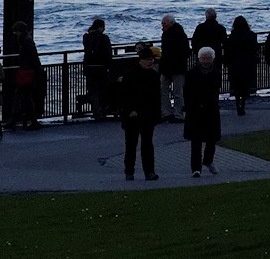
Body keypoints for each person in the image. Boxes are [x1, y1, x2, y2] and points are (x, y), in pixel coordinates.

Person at [118, 45, 162, 181]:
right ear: (140, 60)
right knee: (131, 145)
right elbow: (124, 97)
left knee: (147, 144)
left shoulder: (154, 75)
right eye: (147, 59)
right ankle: (129, 171)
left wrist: (157, 114)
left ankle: (149, 171)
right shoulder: (130, 75)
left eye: (151, 59)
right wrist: (130, 111)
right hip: (133, 116)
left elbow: (156, 97)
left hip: (148, 115)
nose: (150, 62)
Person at [183, 47, 222, 177]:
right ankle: (196, 168)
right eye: (203, 58)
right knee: (196, 141)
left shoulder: (216, 72)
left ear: (212, 59)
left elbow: (216, 90)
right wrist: (192, 104)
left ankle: (208, 160)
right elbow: (187, 92)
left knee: (212, 139)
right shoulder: (191, 73)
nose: (206, 61)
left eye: (208, 58)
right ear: (199, 58)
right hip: (195, 110)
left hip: (211, 109)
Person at [8, 21, 42, 131]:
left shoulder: (26, 41)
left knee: (19, 96)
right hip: (29, 71)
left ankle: (14, 120)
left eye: (16, 31)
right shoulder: (27, 40)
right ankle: (32, 121)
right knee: (27, 97)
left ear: (19, 31)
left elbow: (33, 56)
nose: (15, 34)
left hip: (26, 72)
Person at [224, 15, 259, 116]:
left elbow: (228, 51)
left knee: (236, 86)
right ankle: (242, 105)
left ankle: (237, 104)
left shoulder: (232, 36)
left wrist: (227, 62)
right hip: (247, 65)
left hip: (235, 65)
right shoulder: (251, 35)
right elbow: (255, 48)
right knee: (245, 86)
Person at [79, 18, 113, 120]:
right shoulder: (104, 38)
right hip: (101, 67)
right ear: (100, 27)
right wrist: (108, 65)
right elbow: (108, 53)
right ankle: (103, 109)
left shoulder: (86, 37)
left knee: (92, 90)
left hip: (89, 67)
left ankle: (95, 111)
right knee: (103, 89)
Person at [158, 14, 189, 123]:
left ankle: (175, 114)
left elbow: (185, 51)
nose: (162, 25)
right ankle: (170, 113)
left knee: (176, 92)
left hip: (175, 67)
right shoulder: (170, 33)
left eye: (164, 23)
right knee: (167, 91)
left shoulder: (178, 34)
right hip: (170, 66)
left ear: (171, 23)